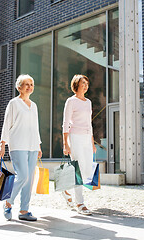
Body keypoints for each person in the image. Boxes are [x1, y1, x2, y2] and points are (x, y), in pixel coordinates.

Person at [0, 74, 42, 221]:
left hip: (32, 145)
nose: (29, 87)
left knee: (29, 180)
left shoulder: (34, 105)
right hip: (18, 144)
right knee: (22, 176)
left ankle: (24, 210)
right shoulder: (13, 103)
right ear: (19, 87)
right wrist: (2, 144)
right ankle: (8, 203)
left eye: (31, 84)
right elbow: (7, 124)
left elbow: (35, 127)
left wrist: (39, 145)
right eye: (26, 84)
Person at [62, 74, 97, 215]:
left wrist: (92, 141)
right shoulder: (71, 101)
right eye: (83, 83)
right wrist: (66, 143)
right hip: (74, 137)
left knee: (87, 171)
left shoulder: (88, 102)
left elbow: (90, 123)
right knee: (78, 170)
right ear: (76, 85)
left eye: (87, 83)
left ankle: (66, 189)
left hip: (86, 137)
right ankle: (80, 203)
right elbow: (65, 123)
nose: (86, 85)